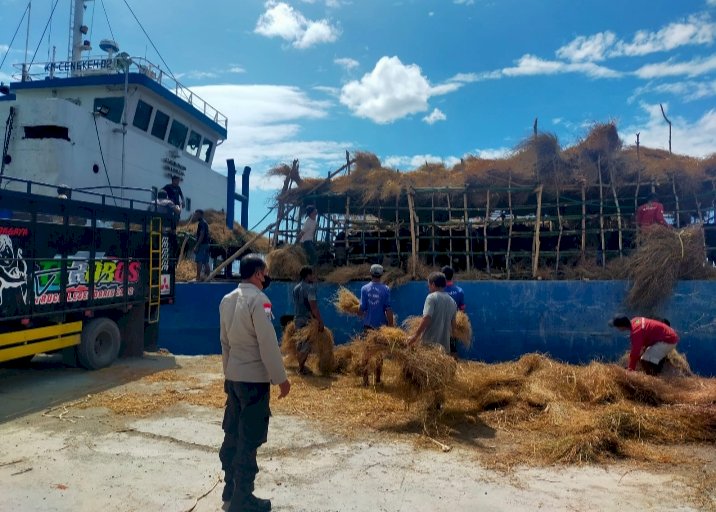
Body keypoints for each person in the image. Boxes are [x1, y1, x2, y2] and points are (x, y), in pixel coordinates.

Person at [219, 254, 290, 511]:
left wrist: (228, 375)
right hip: (254, 381)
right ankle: (243, 498)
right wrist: (280, 379)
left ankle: (230, 487)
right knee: (249, 438)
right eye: (265, 272)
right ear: (259, 273)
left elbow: (224, 343)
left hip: (235, 378)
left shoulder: (226, 300)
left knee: (232, 433)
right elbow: (268, 343)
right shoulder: (261, 301)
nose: (267, 276)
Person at [358, 264, 394, 385]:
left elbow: (362, 308)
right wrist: (391, 327)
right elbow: (388, 309)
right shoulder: (386, 289)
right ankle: (378, 379)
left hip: (368, 326)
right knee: (379, 354)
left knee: (366, 353)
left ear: (370, 273)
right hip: (381, 327)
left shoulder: (364, 289)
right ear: (381, 274)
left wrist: (358, 311)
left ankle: (365, 381)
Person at [610, 315, 679, 375]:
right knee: (645, 356)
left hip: (668, 340)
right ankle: (654, 371)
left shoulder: (636, 332)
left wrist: (630, 370)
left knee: (644, 360)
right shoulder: (635, 320)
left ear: (621, 327)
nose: (617, 329)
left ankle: (651, 380)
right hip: (668, 335)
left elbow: (635, 353)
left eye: (617, 327)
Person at [408, 272, 457, 353]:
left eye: (429, 285)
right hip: (444, 349)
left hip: (430, 347)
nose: (428, 288)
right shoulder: (452, 302)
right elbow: (454, 327)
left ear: (433, 284)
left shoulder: (431, 297)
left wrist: (415, 336)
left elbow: (427, 318)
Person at [292, 265, 324, 375]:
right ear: (307, 276)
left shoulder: (296, 288)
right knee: (306, 344)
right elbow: (313, 307)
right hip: (307, 320)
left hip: (297, 318)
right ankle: (301, 369)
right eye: (312, 274)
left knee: (299, 343)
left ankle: (301, 367)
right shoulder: (310, 288)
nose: (314, 276)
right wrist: (320, 321)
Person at [441, 265, 465, 357]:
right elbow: (462, 310)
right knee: (453, 347)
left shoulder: (438, 290)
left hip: (440, 323)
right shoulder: (459, 291)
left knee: (440, 349)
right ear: (452, 276)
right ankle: (456, 369)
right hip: (453, 324)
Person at [194, 209, 210, 281]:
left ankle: (198, 277)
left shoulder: (201, 223)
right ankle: (208, 277)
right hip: (206, 244)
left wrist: (197, 245)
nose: (196, 216)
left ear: (201, 215)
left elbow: (202, 234)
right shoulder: (205, 223)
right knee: (205, 261)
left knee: (199, 260)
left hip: (202, 245)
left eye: (197, 214)